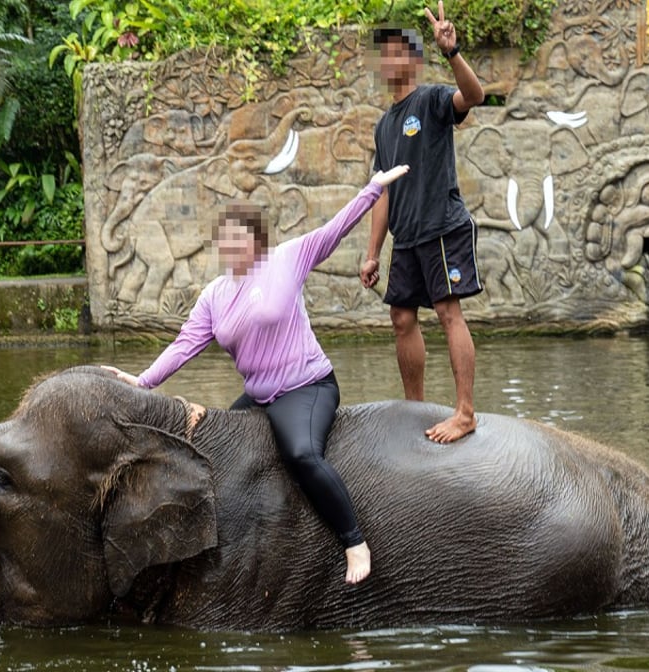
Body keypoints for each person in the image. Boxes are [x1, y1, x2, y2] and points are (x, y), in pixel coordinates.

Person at [103, 165, 410, 585]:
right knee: (211, 451)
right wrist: (143, 382)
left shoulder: (287, 258)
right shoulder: (215, 295)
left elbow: (335, 229)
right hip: (260, 395)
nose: (230, 245)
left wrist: (372, 190)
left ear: (256, 239)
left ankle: (354, 541)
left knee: (301, 455)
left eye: (238, 237)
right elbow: (184, 345)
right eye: (224, 239)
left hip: (307, 387)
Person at [359, 6, 487, 444]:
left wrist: (453, 52)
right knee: (400, 317)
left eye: (398, 53)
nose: (390, 62)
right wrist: (373, 251)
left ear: (412, 60)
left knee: (449, 312)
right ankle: (415, 407)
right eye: (384, 56)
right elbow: (383, 191)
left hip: (442, 227)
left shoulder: (431, 99)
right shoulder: (384, 126)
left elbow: (473, 96)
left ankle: (465, 412)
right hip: (408, 237)